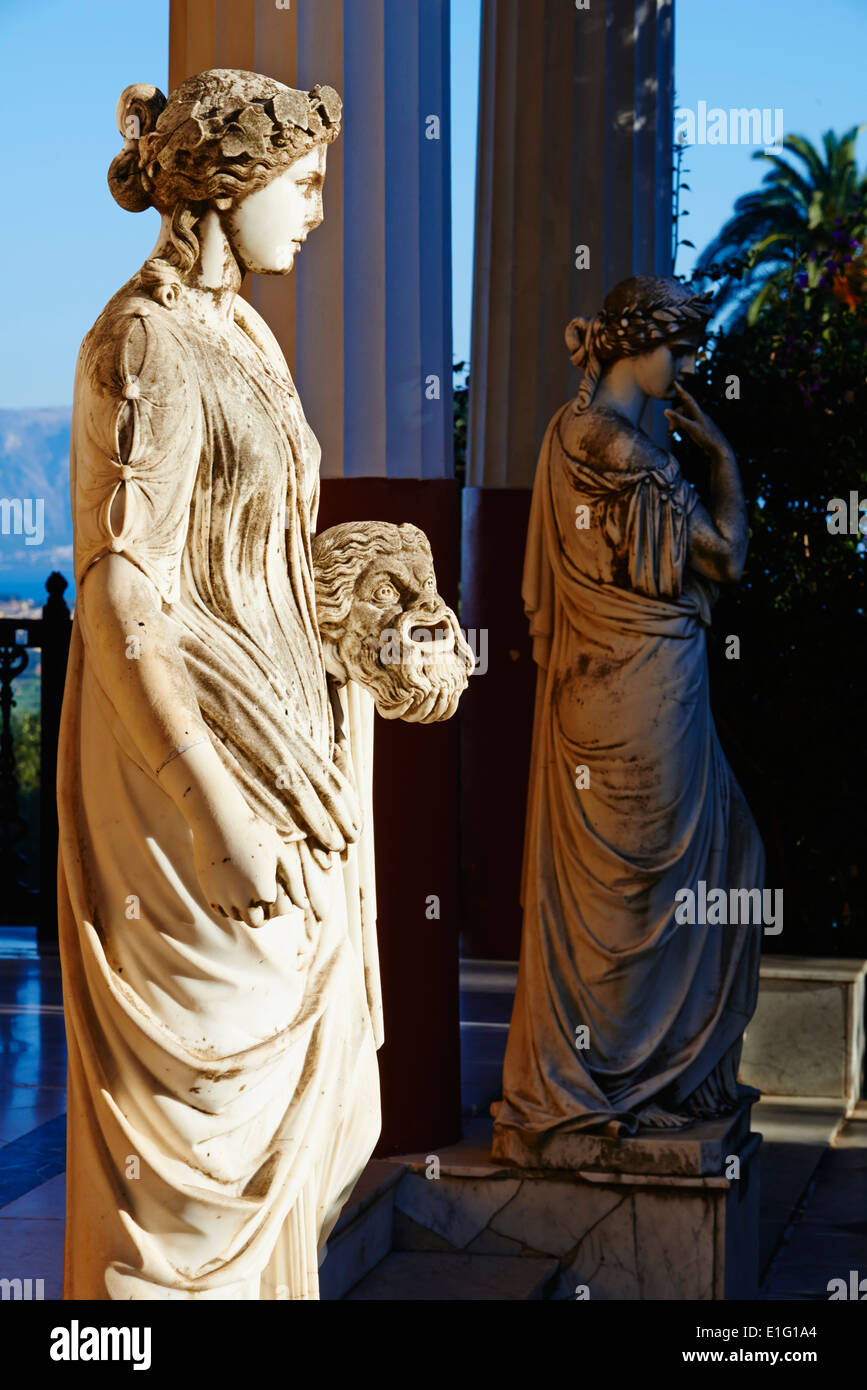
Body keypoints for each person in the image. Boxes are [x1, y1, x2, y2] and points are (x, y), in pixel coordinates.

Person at [59, 70, 381, 1299]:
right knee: (188, 1164)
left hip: (274, 755)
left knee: (276, 1153)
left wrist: (369, 636)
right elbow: (125, 591)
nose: (311, 211)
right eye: (300, 187)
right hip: (186, 789)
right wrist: (214, 803)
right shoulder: (142, 341)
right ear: (230, 186)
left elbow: (266, 565)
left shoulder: (241, 332)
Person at [494, 275, 764, 1147]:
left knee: (634, 891)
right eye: (678, 351)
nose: (684, 367)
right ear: (639, 345)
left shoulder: (562, 435)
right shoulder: (627, 456)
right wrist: (720, 457)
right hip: (646, 697)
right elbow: (723, 560)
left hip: (597, 690)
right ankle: (624, 1075)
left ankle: (628, 1069)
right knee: (651, 890)